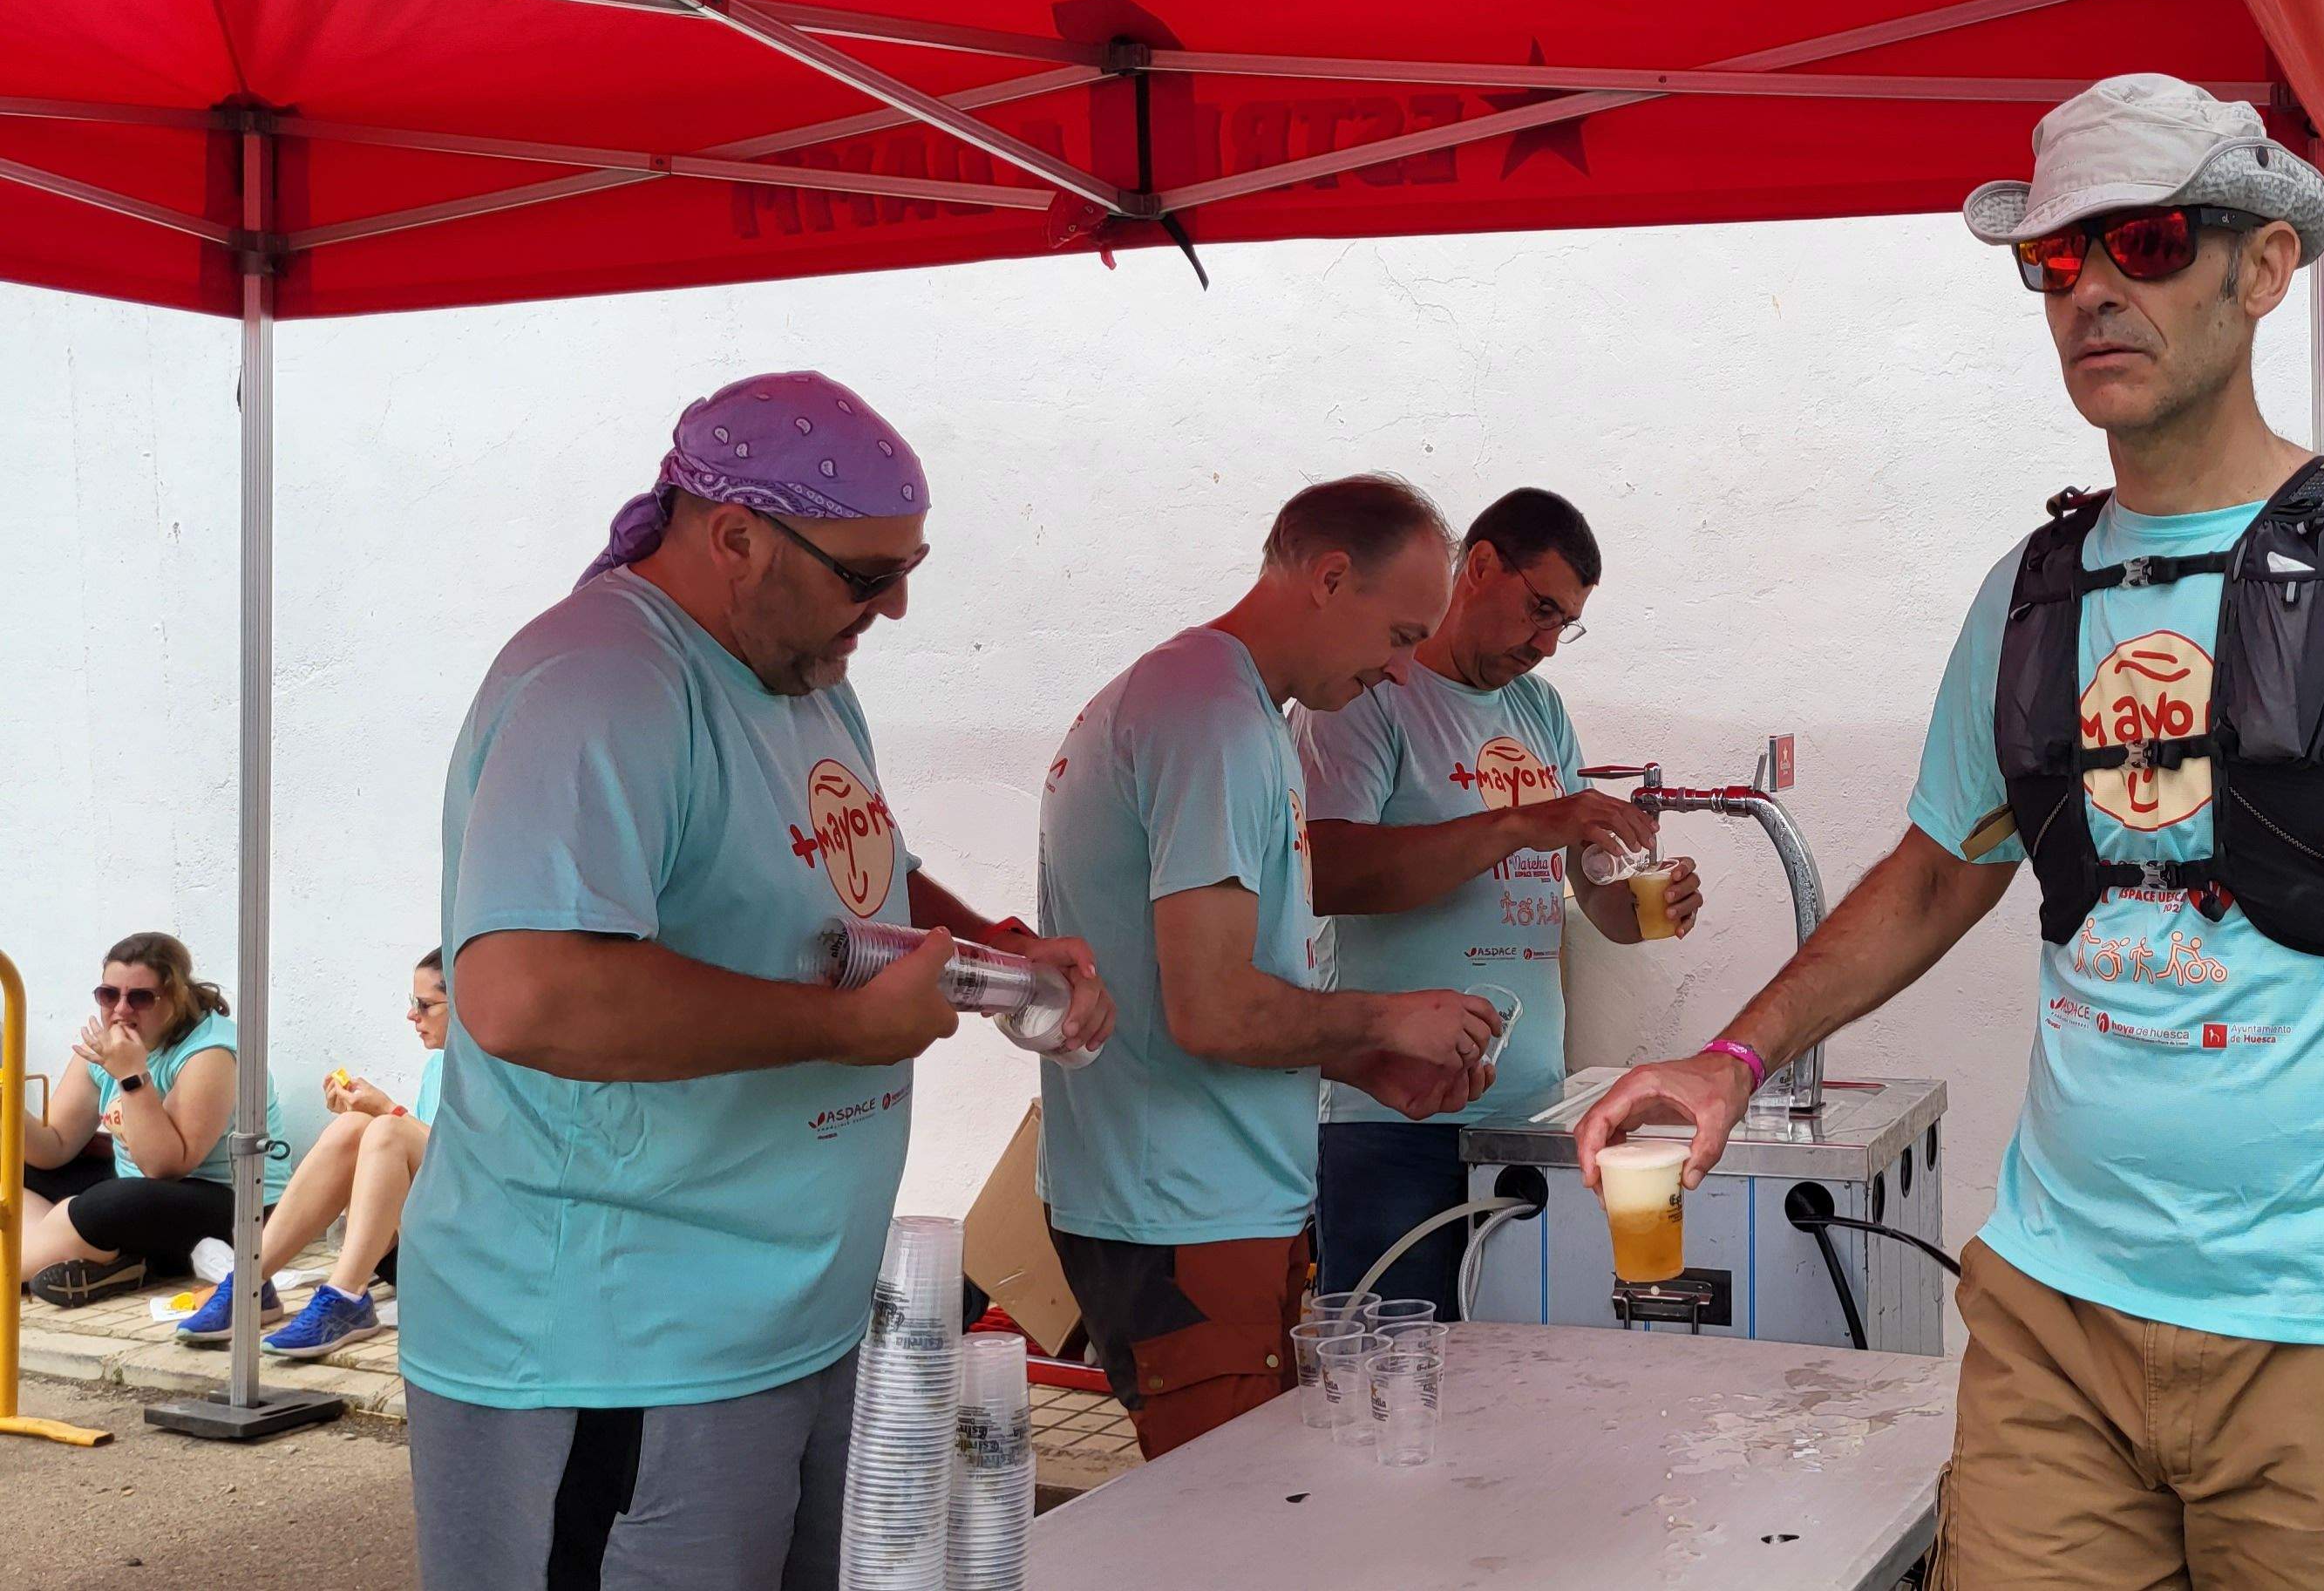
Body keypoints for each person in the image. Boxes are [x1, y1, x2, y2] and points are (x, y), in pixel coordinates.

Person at [1572, 75, 2324, 1591]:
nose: (2092, 286)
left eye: (2145, 241)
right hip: (2057, 1324)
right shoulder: (2037, 589)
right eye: (2057, 258)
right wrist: (1731, 1057)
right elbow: (1937, 871)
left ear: (2264, 268)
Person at [401, 372, 1112, 1591]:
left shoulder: (803, 678)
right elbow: (525, 995)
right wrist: (843, 1030)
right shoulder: (604, 684)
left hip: (785, 1322)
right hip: (619, 1350)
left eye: (908, 569)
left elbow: (860, 880)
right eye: (863, 575)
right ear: (733, 537)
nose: (890, 608)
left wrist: (995, 951)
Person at [1036, 473, 1505, 1461]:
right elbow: (1210, 1009)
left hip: (1187, 1197)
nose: (1401, 673)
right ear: (1330, 578)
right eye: (1399, 637)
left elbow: (1204, 993)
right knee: (1228, 1543)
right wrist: (1383, 1020)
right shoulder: (1210, 715)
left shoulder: (1205, 699)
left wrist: (1349, 1058)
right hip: (1185, 1207)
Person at [1297, 487, 1700, 1316]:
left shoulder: (1538, 710)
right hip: (1391, 1120)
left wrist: (1644, 903)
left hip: (1532, 1115)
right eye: (1539, 609)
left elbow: (1596, 898)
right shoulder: (1368, 694)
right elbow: (1328, 872)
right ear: (1478, 567)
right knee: (1392, 1379)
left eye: (1566, 624)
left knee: (1521, 1387)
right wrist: (1519, 823)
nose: (1547, 645)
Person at [170, 948, 458, 1356]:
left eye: (425, 1005)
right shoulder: (440, 1065)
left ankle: (346, 1295)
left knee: (387, 1129)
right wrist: (372, 1117)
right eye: (413, 1003)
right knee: (354, 1126)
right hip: (411, 1245)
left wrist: (390, 1114)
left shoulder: (507, 1071)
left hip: (473, 1252)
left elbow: (478, 1170)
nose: (413, 1016)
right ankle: (250, 1280)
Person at [16, 931, 283, 1304]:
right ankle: (90, 1256)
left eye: (139, 998)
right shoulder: (106, 1045)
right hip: (143, 1189)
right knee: (15, 1167)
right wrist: (6, 1103)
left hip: (233, 1205)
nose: (121, 1010)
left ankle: (53, 1253)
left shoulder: (210, 1054)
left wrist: (131, 1077)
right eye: (109, 995)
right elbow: (55, 1146)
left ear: (174, 998)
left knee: (107, 1204)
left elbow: (166, 1166)